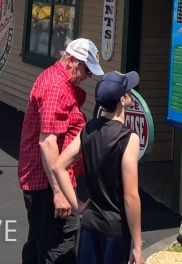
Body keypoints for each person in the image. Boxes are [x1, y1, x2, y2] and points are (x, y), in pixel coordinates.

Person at [18, 38, 104, 264]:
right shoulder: (56, 87)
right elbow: (47, 143)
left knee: (38, 244)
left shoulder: (61, 82)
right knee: (61, 248)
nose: (88, 76)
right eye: (86, 70)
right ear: (72, 61)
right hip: (48, 185)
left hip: (47, 181)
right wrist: (59, 194)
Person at [53, 71, 144, 264]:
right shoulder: (128, 138)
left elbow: (59, 166)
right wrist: (137, 245)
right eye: (128, 91)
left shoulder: (88, 129)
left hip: (90, 223)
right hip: (115, 230)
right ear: (122, 100)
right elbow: (130, 196)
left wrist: (78, 206)